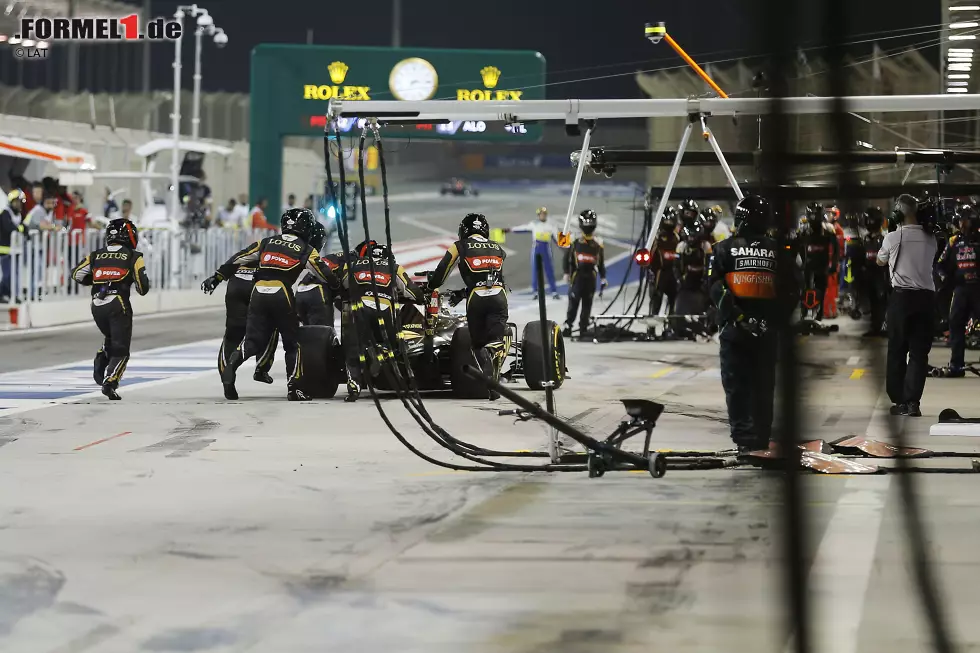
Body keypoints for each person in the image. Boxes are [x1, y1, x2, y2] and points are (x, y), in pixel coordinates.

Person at [209, 208, 339, 401]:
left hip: (258, 290)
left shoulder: (266, 242)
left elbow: (240, 257)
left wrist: (218, 276)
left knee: (252, 340)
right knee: (292, 344)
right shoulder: (306, 248)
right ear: (306, 227)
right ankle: (294, 388)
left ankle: (232, 365)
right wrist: (338, 286)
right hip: (281, 290)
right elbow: (323, 272)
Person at [708, 195, 783, 452]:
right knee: (763, 385)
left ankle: (743, 439)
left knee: (737, 385)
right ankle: (762, 437)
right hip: (767, 331)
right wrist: (769, 320)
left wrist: (741, 317)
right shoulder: (778, 251)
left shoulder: (723, 249)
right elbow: (793, 290)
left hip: (735, 330)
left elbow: (715, 289)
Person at [70, 218, 150, 400]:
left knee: (112, 338)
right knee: (121, 348)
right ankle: (110, 381)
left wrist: (98, 280)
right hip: (118, 303)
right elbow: (143, 287)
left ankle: (104, 352)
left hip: (96, 305)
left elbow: (76, 274)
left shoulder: (96, 254)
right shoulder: (134, 255)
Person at [430, 213, 509, 400]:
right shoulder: (498, 248)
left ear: (463, 230)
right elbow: (492, 279)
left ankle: (490, 380)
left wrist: (431, 286)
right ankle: (496, 360)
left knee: (477, 345)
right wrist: (463, 292)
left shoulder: (459, 246)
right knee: (495, 340)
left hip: (476, 299)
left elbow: (442, 272)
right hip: (499, 295)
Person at [339, 239, 424, 402]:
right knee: (394, 344)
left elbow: (343, 284)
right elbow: (413, 294)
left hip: (361, 308)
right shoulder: (394, 268)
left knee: (354, 348)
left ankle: (354, 383)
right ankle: (382, 355)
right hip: (384, 310)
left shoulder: (354, 265)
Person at [877, 194, 938, 417]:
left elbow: (880, 260)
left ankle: (899, 400)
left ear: (897, 213)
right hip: (926, 299)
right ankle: (913, 402)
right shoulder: (931, 239)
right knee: (919, 353)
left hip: (902, 299)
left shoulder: (892, 237)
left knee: (897, 350)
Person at [935, 204, 980, 377]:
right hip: (961, 289)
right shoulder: (954, 241)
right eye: (960, 220)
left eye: (965, 219)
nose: (962, 223)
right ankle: (956, 365)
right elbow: (940, 264)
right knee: (955, 324)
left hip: (978, 289)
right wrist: (946, 278)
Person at [562, 209, 607, 338]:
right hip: (578, 277)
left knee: (587, 303)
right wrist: (566, 272)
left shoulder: (598, 244)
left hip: (591, 277)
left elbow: (601, 262)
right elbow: (566, 258)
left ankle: (583, 327)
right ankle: (569, 325)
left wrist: (603, 277)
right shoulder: (574, 241)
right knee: (574, 302)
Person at [503, 206, 559, 299]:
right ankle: (535, 292)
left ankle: (554, 291)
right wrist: (510, 229)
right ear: (538, 215)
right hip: (536, 248)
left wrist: (566, 244)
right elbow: (523, 228)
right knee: (535, 270)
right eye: (541, 214)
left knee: (549, 270)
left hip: (546, 248)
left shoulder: (551, 225)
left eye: (544, 214)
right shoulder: (534, 224)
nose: (543, 216)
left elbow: (558, 239)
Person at [797, 203, 837, 321]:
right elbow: (797, 246)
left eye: (816, 214)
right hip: (808, 263)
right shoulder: (804, 229)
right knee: (805, 288)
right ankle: (804, 313)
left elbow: (836, 249)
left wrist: (833, 264)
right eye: (812, 215)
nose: (814, 217)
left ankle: (819, 315)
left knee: (821, 289)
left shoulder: (828, 228)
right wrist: (800, 260)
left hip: (822, 263)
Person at [295, 221, 340, 326]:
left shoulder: (281, 248)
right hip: (315, 292)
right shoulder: (310, 253)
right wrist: (336, 286)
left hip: (295, 294)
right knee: (322, 334)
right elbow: (325, 273)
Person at [861, 207, 889, 337]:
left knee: (881, 299)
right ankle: (874, 326)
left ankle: (884, 325)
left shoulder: (884, 238)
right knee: (872, 300)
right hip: (869, 273)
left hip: (881, 273)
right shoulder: (866, 239)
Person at [647, 207, 680, 316]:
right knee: (656, 303)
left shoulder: (678, 238)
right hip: (659, 274)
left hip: (673, 275)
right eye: (667, 221)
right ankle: (651, 329)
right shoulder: (656, 238)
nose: (669, 223)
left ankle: (671, 327)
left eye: (671, 221)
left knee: (674, 303)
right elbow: (648, 258)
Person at [0, 189, 24, 302]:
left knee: (15, 275)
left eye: (19, 201)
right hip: (4, 250)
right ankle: (4, 294)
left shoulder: (19, 215)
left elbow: (23, 226)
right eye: (16, 201)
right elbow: (8, 227)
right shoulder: (5, 213)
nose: (18, 204)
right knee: (7, 275)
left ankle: (12, 295)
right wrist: (20, 229)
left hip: (15, 250)